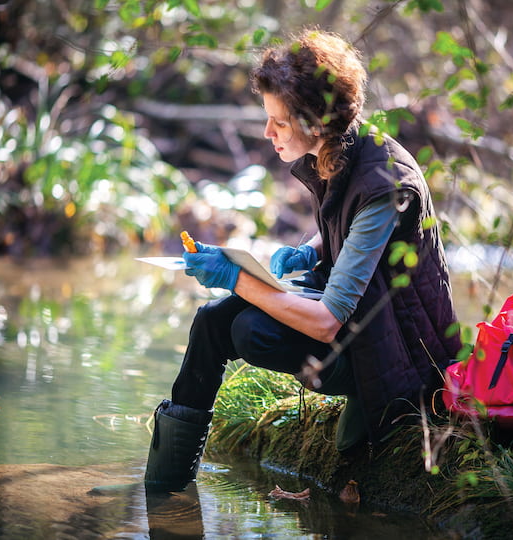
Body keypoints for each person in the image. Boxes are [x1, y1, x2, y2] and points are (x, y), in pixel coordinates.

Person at [144, 29, 462, 493]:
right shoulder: (343, 148)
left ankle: (365, 396)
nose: (268, 133)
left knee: (251, 332)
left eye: (279, 122)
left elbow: (327, 321)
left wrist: (235, 276)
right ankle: (164, 485)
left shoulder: (387, 184)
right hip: (366, 322)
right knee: (213, 322)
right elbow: (349, 225)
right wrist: (312, 249)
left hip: (400, 353)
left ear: (315, 121)